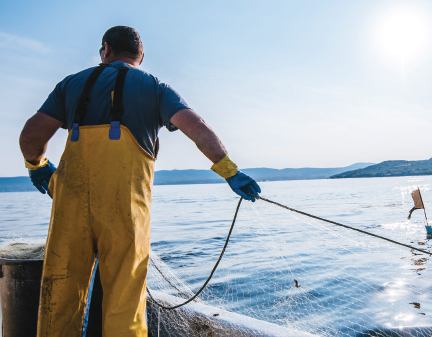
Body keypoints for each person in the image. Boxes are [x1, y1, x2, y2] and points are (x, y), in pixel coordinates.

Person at [19, 26, 261, 337]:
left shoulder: (70, 84)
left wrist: (37, 165)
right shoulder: (155, 87)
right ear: (140, 56)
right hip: (125, 209)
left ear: (105, 50)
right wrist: (229, 170)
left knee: (60, 292)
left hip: (70, 203)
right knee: (125, 295)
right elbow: (196, 126)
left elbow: (31, 135)